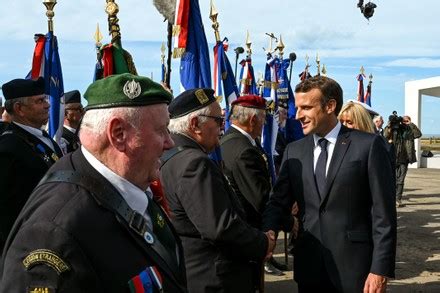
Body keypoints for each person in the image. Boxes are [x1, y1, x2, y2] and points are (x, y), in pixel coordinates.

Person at [0, 73, 187, 292]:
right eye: (161, 130)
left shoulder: (128, 187)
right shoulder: (55, 232)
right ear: (118, 134)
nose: (169, 142)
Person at [262, 76, 397, 293]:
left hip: (356, 270)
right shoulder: (293, 151)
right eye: (297, 108)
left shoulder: (368, 146)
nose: (298, 116)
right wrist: (269, 231)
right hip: (310, 268)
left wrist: (380, 269)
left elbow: (384, 215)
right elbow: (278, 201)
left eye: (306, 107)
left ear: (330, 106)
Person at [160, 88, 274, 293]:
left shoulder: (170, 155)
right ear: (195, 125)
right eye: (218, 121)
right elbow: (221, 227)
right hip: (214, 279)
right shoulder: (194, 163)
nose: (223, 128)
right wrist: (263, 243)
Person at [220, 95, 284, 276]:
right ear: (253, 119)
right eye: (264, 119)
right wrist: (287, 220)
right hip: (249, 229)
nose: (264, 124)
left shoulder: (228, 141)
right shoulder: (244, 149)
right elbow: (260, 197)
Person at [0, 77, 63, 251]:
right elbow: (6, 211)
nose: (48, 105)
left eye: (45, 99)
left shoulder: (43, 139)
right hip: (28, 244)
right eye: (40, 101)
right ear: (19, 109)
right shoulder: (8, 148)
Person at [384, 114, 422, 207]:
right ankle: (391, 197)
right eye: (403, 121)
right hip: (393, 157)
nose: (404, 122)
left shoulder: (410, 130)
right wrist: (389, 125)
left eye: (406, 121)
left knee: (400, 180)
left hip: (405, 159)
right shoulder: (396, 128)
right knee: (392, 179)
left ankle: (398, 199)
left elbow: (418, 134)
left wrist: (411, 124)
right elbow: (385, 135)